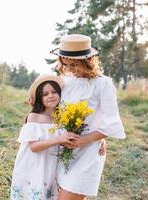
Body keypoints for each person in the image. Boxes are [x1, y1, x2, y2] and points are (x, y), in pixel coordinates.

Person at [50, 34, 126, 200]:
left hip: (88, 152)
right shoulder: (64, 81)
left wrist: (89, 139)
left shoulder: (102, 84)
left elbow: (111, 123)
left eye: (74, 64)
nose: (69, 69)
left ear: (87, 61)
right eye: (66, 64)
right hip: (61, 149)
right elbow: (50, 110)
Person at [10, 74, 106, 200]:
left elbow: (77, 133)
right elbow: (33, 147)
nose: (50, 96)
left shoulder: (62, 118)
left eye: (54, 92)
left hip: (50, 166)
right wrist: (59, 139)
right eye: (45, 94)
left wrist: (100, 139)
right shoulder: (34, 117)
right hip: (33, 165)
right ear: (39, 98)